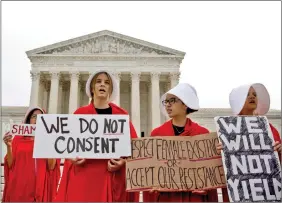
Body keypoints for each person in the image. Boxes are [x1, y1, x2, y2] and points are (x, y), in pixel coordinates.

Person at [55, 70, 138, 202]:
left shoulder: (121, 116)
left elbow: (136, 148)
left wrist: (124, 162)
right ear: (92, 88)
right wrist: (72, 158)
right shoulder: (80, 114)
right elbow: (68, 146)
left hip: (111, 178)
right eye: (98, 82)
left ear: (110, 89)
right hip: (85, 178)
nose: (102, 85)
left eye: (106, 83)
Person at [143, 83, 219, 202]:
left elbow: (209, 173)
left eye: (172, 100)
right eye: (166, 102)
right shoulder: (157, 134)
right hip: (167, 197)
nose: (167, 105)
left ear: (185, 104)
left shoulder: (202, 134)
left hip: (194, 197)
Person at [217, 83, 282, 202]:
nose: (252, 97)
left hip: (264, 190)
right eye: (247, 94)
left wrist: (280, 151)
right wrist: (221, 153)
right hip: (239, 191)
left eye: (254, 94)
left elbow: (277, 165)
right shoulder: (226, 129)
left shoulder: (268, 128)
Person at [2, 107, 61, 202]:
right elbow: (10, 165)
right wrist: (9, 146)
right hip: (19, 188)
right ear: (29, 120)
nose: (37, 119)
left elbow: (51, 167)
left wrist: (50, 143)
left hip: (39, 189)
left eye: (41, 117)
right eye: (34, 116)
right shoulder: (17, 139)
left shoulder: (48, 139)